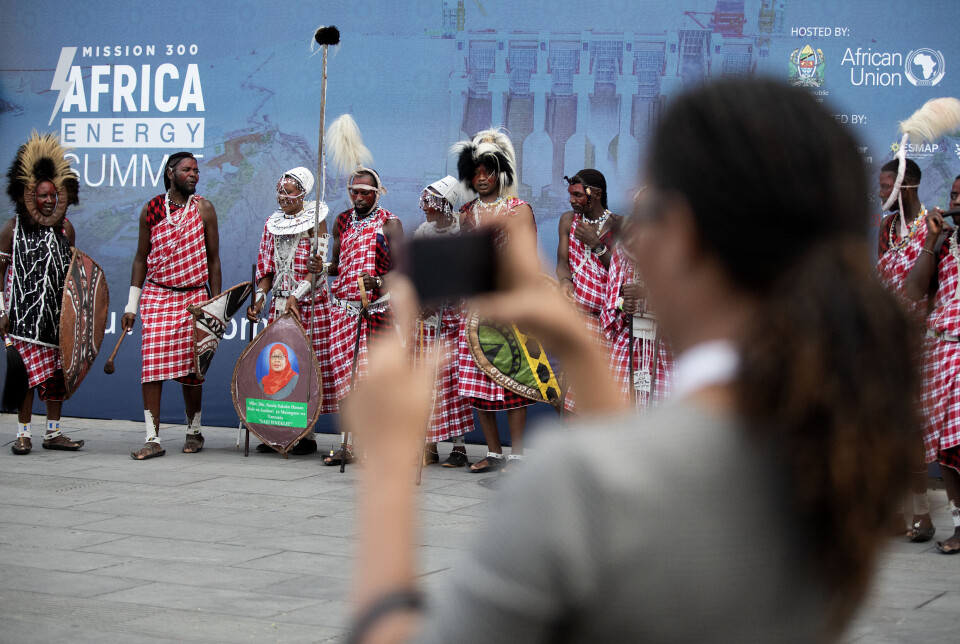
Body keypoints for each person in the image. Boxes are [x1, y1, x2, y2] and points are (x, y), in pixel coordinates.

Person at [346, 78, 915, 643]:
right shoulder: (833, 458)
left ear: (687, 236)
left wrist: (393, 471)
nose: (635, 242)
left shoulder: (570, 485)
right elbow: (641, 471)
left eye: (652, 217)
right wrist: (580, 347)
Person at [123, 152, 221, 460]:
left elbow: (213, 260)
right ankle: (152, 437)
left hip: (193, 298)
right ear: (170, 173)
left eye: (196, 170)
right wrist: (131, 305)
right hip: (157, 295)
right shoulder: (152, 209)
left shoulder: (204, 209)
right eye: (187, 169)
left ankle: (194, 430)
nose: (194, 174)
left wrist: (215, 306)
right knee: (151, 367)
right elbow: (141, 258)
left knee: (193, 369)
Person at [453, 128, 537, 473]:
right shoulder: (465, 213)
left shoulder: (519, 210)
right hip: (472, 308)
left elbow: (529, 262)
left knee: (514, 381)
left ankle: (517, 454)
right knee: (477, 384)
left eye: (488, 170)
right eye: (476, 172)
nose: (482, 177)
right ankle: (493, 452)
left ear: (501, 172)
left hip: (509, 306)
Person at [1, 133, 84, 454]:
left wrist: (75, 315)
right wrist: (1, 312)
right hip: (21, 318)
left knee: (55, 380)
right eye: (42, 195)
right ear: (29, 196)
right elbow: (0, 274)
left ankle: (53, 432)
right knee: (24, 379)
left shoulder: (66, 229)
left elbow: (76, 278)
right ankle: (23, 434)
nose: (49, 200)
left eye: (53, 195)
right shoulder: (12, 229)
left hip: (55, 319)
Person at [247, 167, 336, 455]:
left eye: (289, 191)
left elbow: (319, 269)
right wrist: (260, 298)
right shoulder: (271, 224)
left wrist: (297, 295)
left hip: (310, 306)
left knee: (306, 370)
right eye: (280, 190)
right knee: (280, 367)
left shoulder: (316, 222)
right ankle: (279, 431)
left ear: (303, 194)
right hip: (279, 305)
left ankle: (306, 436)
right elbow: (266, 269)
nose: (282, 196)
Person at [875, 158, 938, 542]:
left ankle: (924, 515)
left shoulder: (932, 228)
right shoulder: (886, 228)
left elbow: (934, 285)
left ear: (906, 186)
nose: (880, 193)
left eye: (886, 187)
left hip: (923, 340)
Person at [323, 165, 402, 465]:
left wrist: (378, 281)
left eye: (364, 192)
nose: (357, 196)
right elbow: (336, 265)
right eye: (353, 191)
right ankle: (348, 444)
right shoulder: (342, 221)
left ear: (376, 193)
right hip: (342, 313)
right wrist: (321, 268)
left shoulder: (390, 224)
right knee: (345, 382)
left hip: (375, 313)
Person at [903, 174, 960, 553]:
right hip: (942, 349)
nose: (956, 201)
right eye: (954, 194)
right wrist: (930, 240)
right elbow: (913, 290)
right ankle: (958, 524)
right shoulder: (944, 241)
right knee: (947, 450)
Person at [413, 176, 473, 467]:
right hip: (427, 320)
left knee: (454, 384)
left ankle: (459, 447)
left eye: (430, 202)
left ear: (445, 204)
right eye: (424, 201)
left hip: (454, 319)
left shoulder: (463, 230)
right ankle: (429, 444)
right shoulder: (423, 232)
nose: (424, 207)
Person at [600, 214, 673, 410]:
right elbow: (612, 300)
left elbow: (686, 302)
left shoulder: (674, 253)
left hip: (663, 343)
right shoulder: (621, 253)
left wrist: (647, 294)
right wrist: (625, 305)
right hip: (629, 341)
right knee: (622, 408)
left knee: (661, 410)